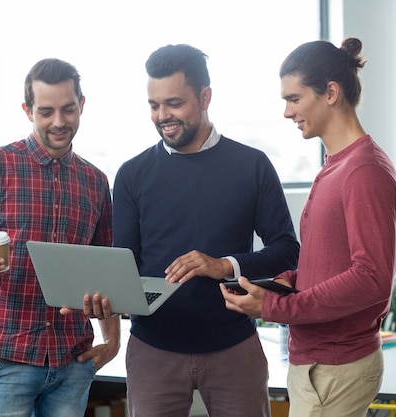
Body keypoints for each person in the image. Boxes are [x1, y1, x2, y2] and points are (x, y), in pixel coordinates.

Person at [110, 44, 300, 417]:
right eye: (154, 105)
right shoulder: (131, 175)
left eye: (174, 103)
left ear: (205, 96)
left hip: (234, 346)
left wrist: (224, 265)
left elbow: (286, 249)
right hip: (153, 351)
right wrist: (102, 296)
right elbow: (124, 264)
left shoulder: (253, 166)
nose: (162, 115)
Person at [221, 38, 396, 417]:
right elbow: (332, 261)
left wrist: (274, 305)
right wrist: (290, 280)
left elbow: (372, 278)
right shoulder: (336, 164)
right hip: (319, 364)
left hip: (335, 367)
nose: (287, 112)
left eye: (294, 98)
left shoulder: (364, 172)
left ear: (331, 93)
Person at [0, 58, 120, 417]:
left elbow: (104, 270)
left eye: (68, 109)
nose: (59, 122)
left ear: (81, 105)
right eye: (46, 111)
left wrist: (112, 342)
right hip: (8, 359)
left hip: (73, 359)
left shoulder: (96, 182)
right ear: (27, 111)